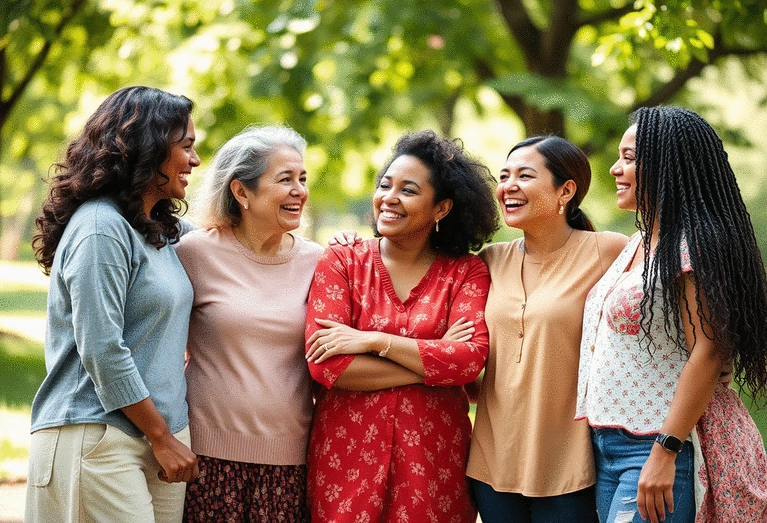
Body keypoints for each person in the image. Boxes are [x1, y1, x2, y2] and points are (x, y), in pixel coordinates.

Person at [577, 106, 767, 523]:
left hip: (658, 446)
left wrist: (665, 450)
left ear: (666, 166)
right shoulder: (639, 243)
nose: (613, 169)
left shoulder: (691, 244)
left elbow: (710, 350)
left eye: (629, 158)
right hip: (607, 446)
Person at [25, 86, 201, 523]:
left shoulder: (155, 230)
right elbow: (102, 348)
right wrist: (161, 436)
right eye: (186, 147)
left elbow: (233, 238)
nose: (195, 160)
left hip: (158, 439)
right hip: (97, 436)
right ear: (149, 148)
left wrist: (342, 254)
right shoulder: (101, 228)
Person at [304, 129, 499, 522]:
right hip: (346, 463)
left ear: (441, 208)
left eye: (408, 190)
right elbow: (328, 366)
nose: (388, 198)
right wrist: (432, 363)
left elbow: (466, 362)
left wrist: (372, 340)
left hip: (433, 468)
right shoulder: (342, 261)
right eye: (384, 185)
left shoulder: (466, 272)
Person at [463, 136, 628, 523]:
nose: (508, 186)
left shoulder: (609, 251)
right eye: (504, 176)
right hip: (492, 465)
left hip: (571, 467)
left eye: (524, 175)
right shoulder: (488, 261)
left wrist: (717, 352)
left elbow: (675, 305)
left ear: (565, 190)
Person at [175, 126, 323, 522]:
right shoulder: (194, 253)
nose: (299, 191)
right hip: (205, 458)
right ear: (241, 192)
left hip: (289, 462)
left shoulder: (320, 262)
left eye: (302, 179)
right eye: (285, 179)